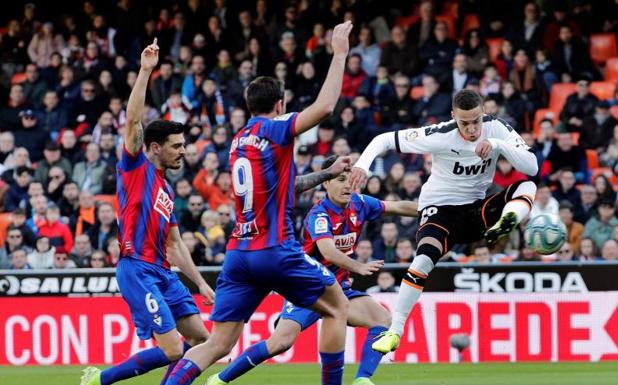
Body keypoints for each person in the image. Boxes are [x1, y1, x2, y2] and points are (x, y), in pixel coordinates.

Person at [164, 21, 355, 385]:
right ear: (280, 105)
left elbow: (282, 187)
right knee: (337, 305)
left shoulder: (239, 141)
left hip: (239, 254)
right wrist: (340, 52)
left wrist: (326, 175)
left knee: (218, 343)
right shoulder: (274, 129)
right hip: (276, 248)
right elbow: (326, 106)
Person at [349, 89, 538, 354]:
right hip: (440, 209)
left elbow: (532, 167)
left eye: (476, 121)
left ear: (483, 113)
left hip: (475, 211)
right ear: (453, 116)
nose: (472, 129)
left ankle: (505, 223)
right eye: (465, 123)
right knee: (424, 259)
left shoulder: (496, 129)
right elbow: (383, 140)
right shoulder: (439, 134)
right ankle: (395, 331)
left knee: (527, 186)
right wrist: (362, 165)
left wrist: (498, 145)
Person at [208, 155, 419, 385]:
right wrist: (358, 266)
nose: (347, 185)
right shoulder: (319, 214)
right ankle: (220, 379)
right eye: (340, 179)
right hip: (307, 289)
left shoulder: (360, 204)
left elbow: (399, 206)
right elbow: (327, 250)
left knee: (383, 320)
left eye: (350, 179)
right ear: (326, 183)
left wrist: (436, 212)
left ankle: (362, 380)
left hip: (340, 290)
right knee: (281, 342)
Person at [81, 39, 214, 385]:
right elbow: (134, 121)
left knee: (203, 340)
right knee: (172, 350)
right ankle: (100, 380)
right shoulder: (135, 167)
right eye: (177, 146)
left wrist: (200, 282)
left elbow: (175, 243)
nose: (183, 152)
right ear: (155, 148)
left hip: (164, 272)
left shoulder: (167, 191)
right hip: (137, 269)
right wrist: (145, 71)